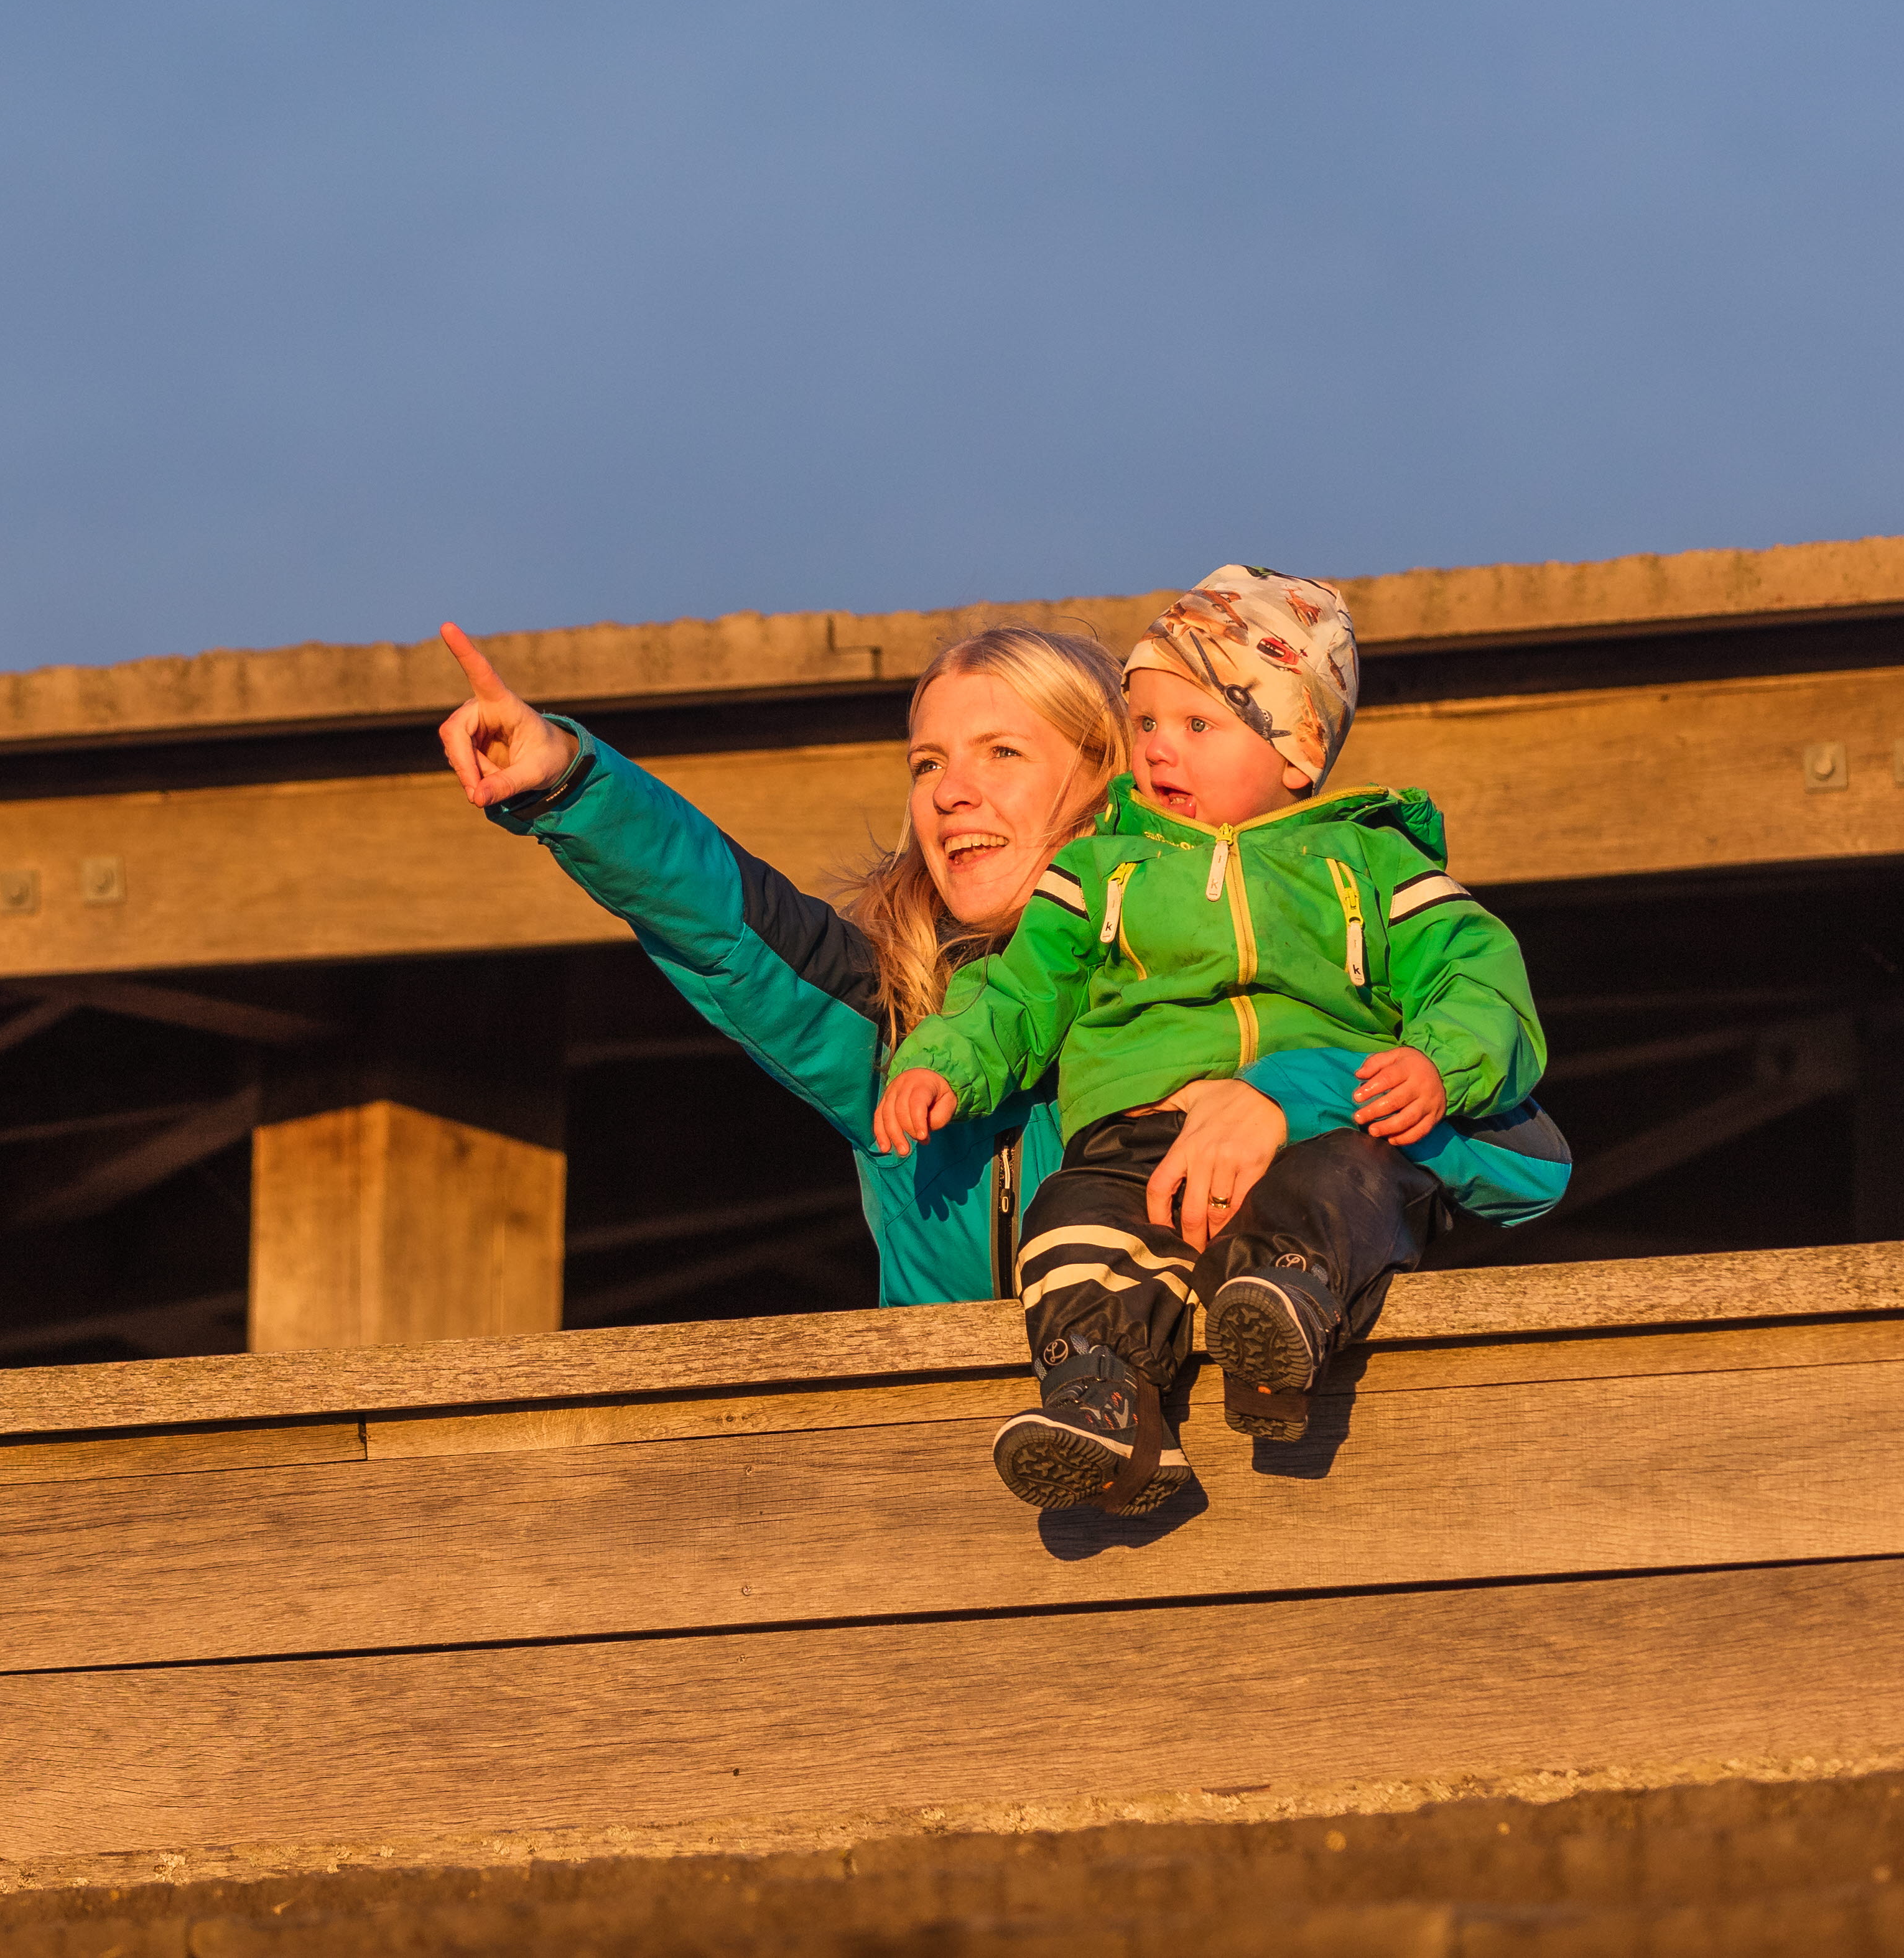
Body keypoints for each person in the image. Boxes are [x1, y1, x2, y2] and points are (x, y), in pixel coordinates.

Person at [875, 567, 1573, 1507]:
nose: (1161, 749)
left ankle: (1284, 1307)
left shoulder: (1370, 860)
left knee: (1347, 1181)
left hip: (1317, 1131)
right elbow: (1017, 989)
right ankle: (1104, 1402)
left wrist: (1438, 1064)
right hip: (1139, 1132)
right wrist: (940, 1061)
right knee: (1072, 1218)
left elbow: (1475, 972)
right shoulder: (1104, 870)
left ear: (1299, 749)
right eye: (1148, 723)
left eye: (1199, 725)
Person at [432, 618, 1126, 1307]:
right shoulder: (901, 1022)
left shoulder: (1203, 999)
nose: (949, 793)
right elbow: (723, 923)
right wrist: (572, 781)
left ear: (1108, 781)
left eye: (1001, 752)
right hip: (939, 1420)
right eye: (928, 764)